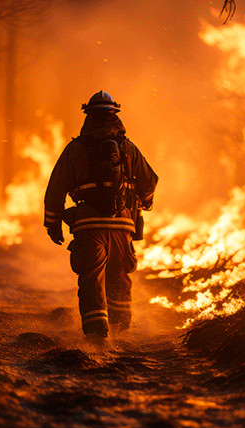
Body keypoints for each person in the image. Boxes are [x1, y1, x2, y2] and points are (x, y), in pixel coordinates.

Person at [44, 90, 158, 341]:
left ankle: (97, 339)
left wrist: (52, 222)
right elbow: (149, 182)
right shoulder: (129, 149)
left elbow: (56, 187)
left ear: (88, 116)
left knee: (92, 277)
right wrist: (141, 204)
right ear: (115, 115)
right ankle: (121, 332)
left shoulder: (75, 149)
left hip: (88, 225)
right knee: (119, 276)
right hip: (123, 225)